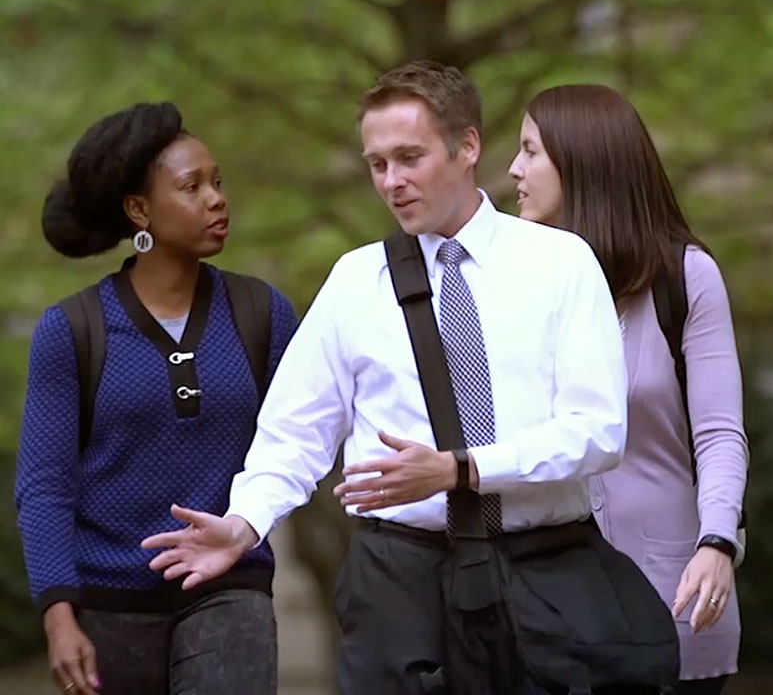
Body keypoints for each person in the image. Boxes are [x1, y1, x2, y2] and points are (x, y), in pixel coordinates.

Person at [143, 62, 679, 694]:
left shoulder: (560, 263)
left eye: (409, 157)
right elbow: (295, 430)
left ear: (468, 146)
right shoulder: (354, 281)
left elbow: (598, 432)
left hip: (548, 575)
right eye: (377, 164)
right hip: (399, 584)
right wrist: (244, 522)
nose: (392, 182)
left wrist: (461, 469)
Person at [15, 102, 297, 695]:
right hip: (108, 606)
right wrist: (58, 614)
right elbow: (44, 486)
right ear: (139, 209)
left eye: (217, 182)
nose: (217, 198)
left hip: (231, 587)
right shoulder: (72, 330)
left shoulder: (262, 313)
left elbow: (301, 440)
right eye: (191, 187)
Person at [508, 83, 748, 694]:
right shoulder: (512, 287)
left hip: (673, 596)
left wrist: (718, 542)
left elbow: (719, 433)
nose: (514, 170)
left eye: (531, 151)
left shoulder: (683, 277)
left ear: (583, 162)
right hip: (547, 608)